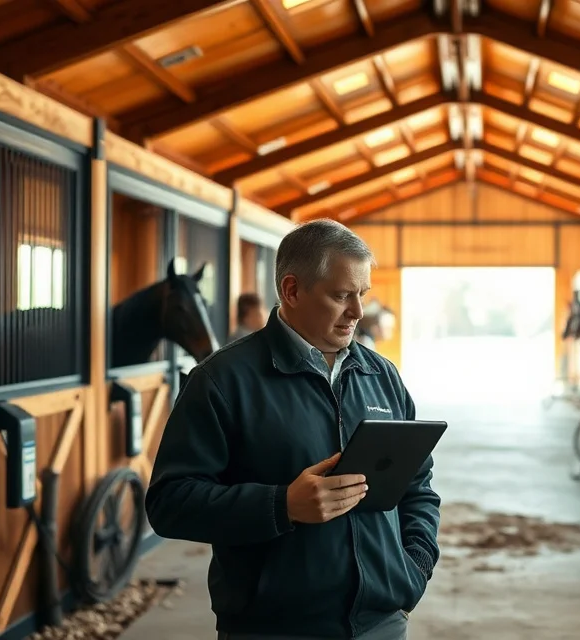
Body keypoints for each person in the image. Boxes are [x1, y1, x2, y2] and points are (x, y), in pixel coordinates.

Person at [146, 219, 441, 640]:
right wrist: (281, 505)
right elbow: (169, 503)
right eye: (342, 295)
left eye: (362, 295)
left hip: (381, 624)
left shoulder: (381, 375)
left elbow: (419, 485)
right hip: (273, 629)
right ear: (292, 290)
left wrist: (414, 566)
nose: (358, 312)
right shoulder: (222, 381)